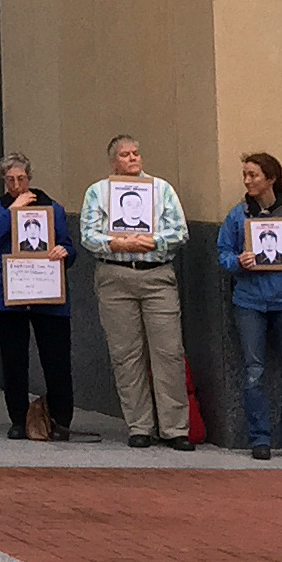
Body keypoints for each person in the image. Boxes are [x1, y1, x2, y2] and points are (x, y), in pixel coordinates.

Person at [79, 134, 191, 449]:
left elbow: (180, 230)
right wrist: (116, 242)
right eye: (125, 155)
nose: (133, 159)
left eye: (136, 153)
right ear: (113, 160)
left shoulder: (162, 189)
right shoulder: (98, 192)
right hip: (115, 277)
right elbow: (88, 234)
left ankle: (175, 428)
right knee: (126, 354)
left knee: (168, 352)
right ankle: (140, 426)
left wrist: (154, 240)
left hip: (156, 275)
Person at [214, 151, 282, 462]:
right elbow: (223, 253)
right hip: (250, 304)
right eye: (244, 175)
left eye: (253, 175)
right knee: (253, 373)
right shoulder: (237, 216)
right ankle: (260, 439)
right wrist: (238, 262)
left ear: (270, 178)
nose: (247, 180)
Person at [0, 152, 77, 442]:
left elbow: (69, 248)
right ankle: (19, 420)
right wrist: (14, 210)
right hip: (8, 294)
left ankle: (60, 421)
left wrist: (65, 252)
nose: (16, 184)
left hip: (48, 293)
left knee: (56, 359)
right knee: (14, 360)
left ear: (29, 178)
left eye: (21, 178)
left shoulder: (52, 208)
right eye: (10, 179)